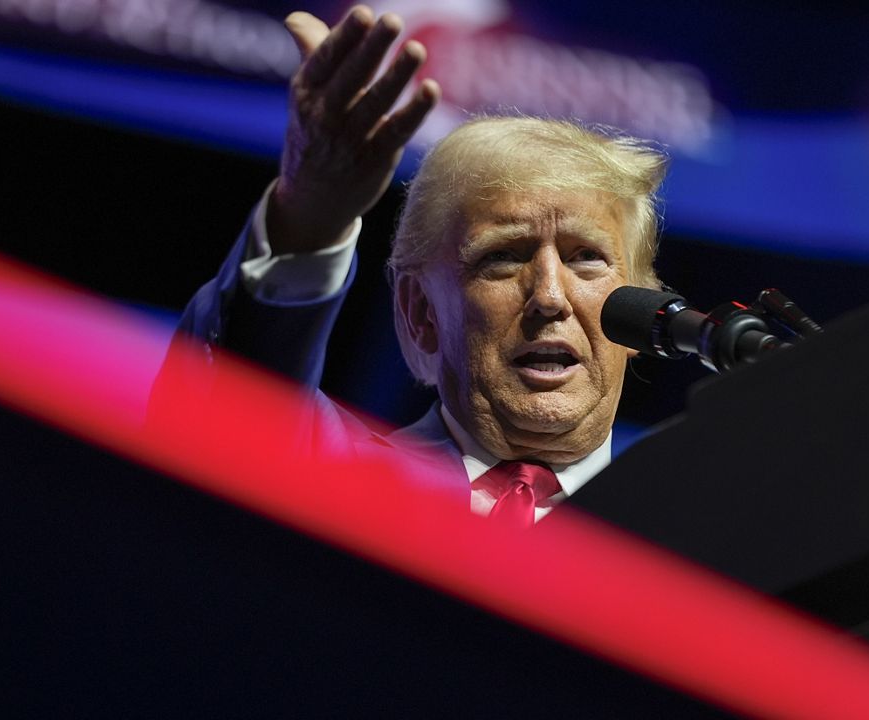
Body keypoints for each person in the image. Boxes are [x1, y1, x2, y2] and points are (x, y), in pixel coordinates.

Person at [156, 6, 667, 524]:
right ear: (421, 313)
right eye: (503, 258)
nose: (550, 296)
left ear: (638, 319)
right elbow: (230, 412)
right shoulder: (328, 479)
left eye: (586, 259)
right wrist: (309, 219)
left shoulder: (696, 543)